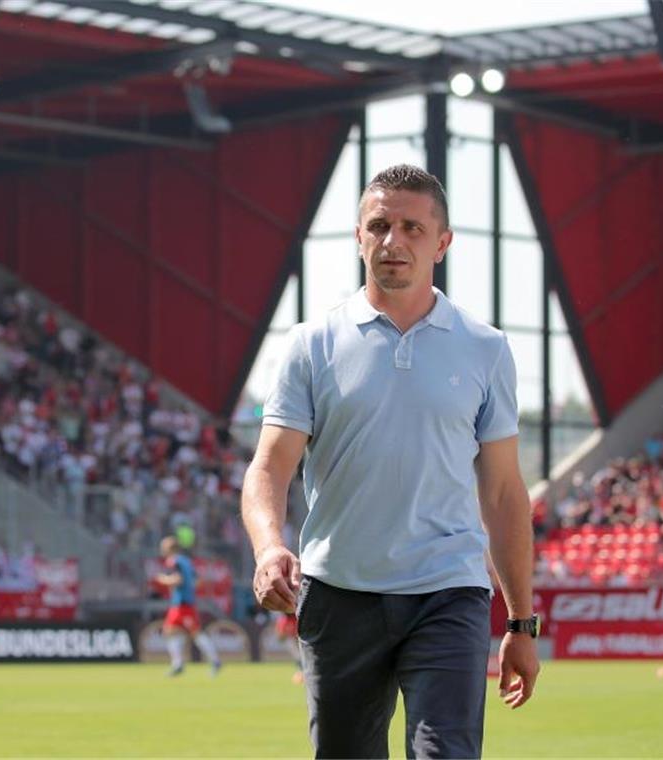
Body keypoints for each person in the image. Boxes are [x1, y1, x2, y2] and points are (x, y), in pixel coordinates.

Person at [242, 164, 540, 758]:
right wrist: (269, 546)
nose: (392, 241)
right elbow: (269, 468)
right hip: (338, 593)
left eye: (411, 227)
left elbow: (504, 493)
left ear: (443, 242)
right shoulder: (313, 345)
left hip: (448, 591)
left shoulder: (485, 349)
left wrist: (520, 624)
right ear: (358, 236)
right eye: (378, 225)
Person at [154, 535, 222, 677]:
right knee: (170, 631)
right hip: (183, 602)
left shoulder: (174, 562)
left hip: (182, 604)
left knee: (194, 633)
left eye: (164, 547)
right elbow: (197, 581)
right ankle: (178, 664)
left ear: (170, 548)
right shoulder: (186, 561)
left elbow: (179, 579)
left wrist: (164, 580)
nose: (162, 550)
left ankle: (214, 661)